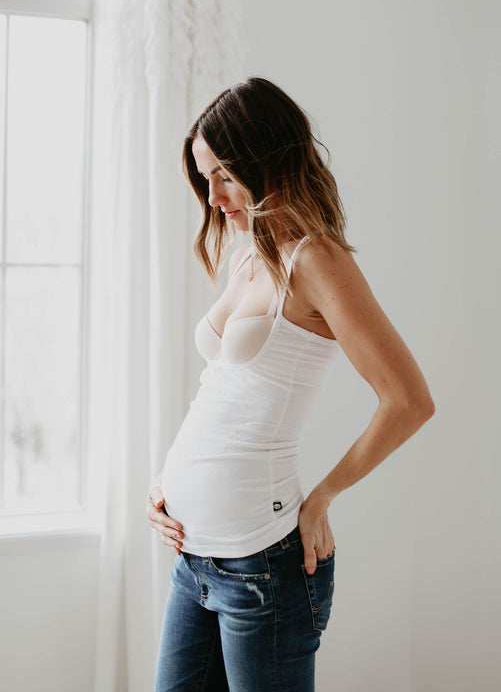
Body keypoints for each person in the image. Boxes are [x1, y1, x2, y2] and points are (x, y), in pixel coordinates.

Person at [147, 77, 435, 692]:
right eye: (205, 176)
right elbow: (224, 388)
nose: (214, 194)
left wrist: (323, 496)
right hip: (192, 562)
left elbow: (408, 401)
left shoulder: (317, 259)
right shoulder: (248, 251)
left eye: (224, 173)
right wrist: (169, 482)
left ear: (265, 157)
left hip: (262, 568)